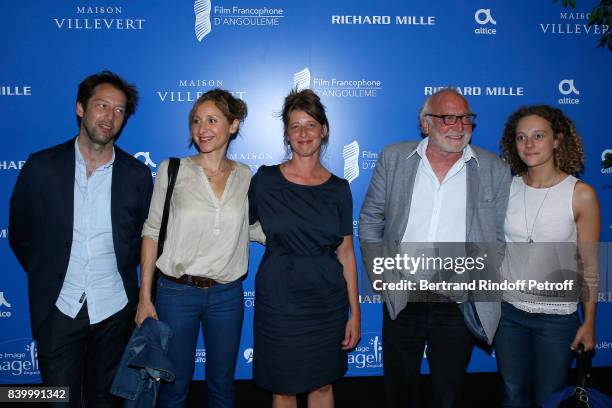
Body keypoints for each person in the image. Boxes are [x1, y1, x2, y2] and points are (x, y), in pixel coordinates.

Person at [359, 89, 511, 408]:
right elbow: (370, 219)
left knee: (449, 391)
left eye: (466, 118)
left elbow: (498, 236)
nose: (458, 126)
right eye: (448, 117)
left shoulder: (493, 168)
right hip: (404, 293)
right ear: (426, 124)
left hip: (457, 299)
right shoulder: (394, 158)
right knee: (399, 389)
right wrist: (380, 275)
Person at [8, 70, 153, 406]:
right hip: (59, 309)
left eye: (119, 111)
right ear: (80, 108)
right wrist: (52, 273)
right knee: (60, 400)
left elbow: (146, 239)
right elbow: (20, 234)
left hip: (116, 311)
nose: (110, 116)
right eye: (102, 105)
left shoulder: (137, 175)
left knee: (107, 400)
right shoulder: (41, 167)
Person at [136, 89, 255, 408]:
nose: (202, 128)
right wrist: (144, 298)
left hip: (227, 296)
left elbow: (254, 228)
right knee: (172, 389)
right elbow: (150, 231)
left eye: (212, 120)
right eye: (196, 121)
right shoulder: (172, 170)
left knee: (222, 387)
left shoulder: (246, 176)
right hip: (176, 294)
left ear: (233, 125)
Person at [248, 89, 360, 408]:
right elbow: (236, 225)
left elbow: (347, 253)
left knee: (322, 384)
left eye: (310, 124)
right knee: (282, 387)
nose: (303, 133)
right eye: (295, 126)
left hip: (327, 301)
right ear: (285, 134)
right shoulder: (266, 180)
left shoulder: (339, 189)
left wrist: (355, 312)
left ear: (324, 130)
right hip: (279, 299)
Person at [495, 105, 600, 407]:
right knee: (513, 393)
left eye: (538, 136)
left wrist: (589, 321)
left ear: (557, 140)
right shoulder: (506, 188)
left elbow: (589, 264)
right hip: (508, 313)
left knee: (549, 399)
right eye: (521, 137)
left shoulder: (580, 194)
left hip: (556, 319)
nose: (529, 145)